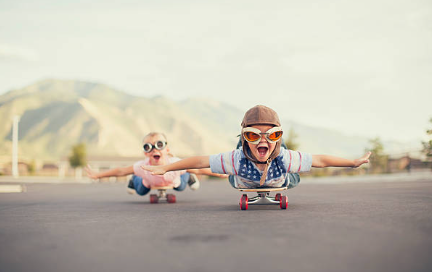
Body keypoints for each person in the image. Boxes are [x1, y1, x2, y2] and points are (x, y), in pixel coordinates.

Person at [141, 105, 371, 189]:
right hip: (241, 177)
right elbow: (200, 161)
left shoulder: (286, 159)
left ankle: (272, 141)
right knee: (234, 168)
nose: (263, 141)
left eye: (272, 135)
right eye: (253, 135)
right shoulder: (235, 159)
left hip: (280, 177)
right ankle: (248, 141)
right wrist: (166, 168)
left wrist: (352, 162)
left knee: (292, 173)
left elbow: (320, 160)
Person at [85, 132, 225, 196]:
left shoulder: (175, 163)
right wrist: (98, 175)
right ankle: (134, 180)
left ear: (167, 149)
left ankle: (188, 177)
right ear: (145, 152)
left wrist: (219, 173)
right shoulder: (142, 166)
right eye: (148, 147)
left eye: (159, 145)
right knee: (140, 191)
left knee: (181, 185)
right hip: (149, 182)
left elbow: (199, 169)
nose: (154, 150)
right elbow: (121, 171)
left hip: (174, 180)